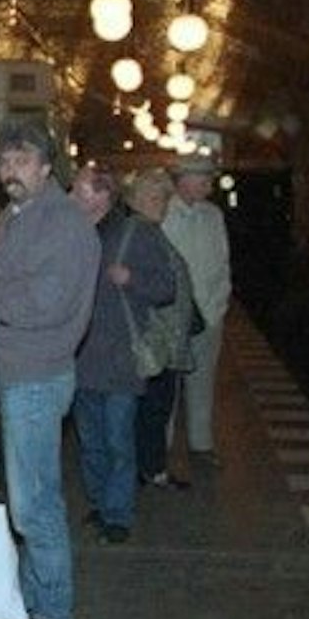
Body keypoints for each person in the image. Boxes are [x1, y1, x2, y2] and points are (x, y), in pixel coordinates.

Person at [0, 120, 99, 619]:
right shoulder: (21, 219)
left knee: (34, 502)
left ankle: (54, 614)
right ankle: (32, 606)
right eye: (5, 161)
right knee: (29, 497)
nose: (10, 171)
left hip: (36, 377)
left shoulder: (64, 224)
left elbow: (46, 303)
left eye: (22, 161)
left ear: (47, 167)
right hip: (18, 373)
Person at [69, 166, 175, 545]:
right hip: (80, 359)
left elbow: (167, 288)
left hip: (120, 360)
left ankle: (117, 515)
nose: (72, 199)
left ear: (102, 196)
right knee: (91, 441)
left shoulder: (137, 234)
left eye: (78, 192)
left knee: (117, 440)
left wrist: (131, 280)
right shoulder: (71, 233)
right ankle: (100, 504)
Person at [127, 169, 197, 489]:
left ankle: (149, 468)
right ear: (136, 200)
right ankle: (150, 470)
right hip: (154, 341)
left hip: (162, 340)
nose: (163, 204)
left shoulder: (151, 232)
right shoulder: (142, 233)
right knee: (152, 411)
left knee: (154, 410)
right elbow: (156, 287)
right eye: (155, 198)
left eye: (164, 198)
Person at [163, 154, 232, 464]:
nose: (208, 183)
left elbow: (222, 262)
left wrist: (219, 305)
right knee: (166, 389)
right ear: (182, 181)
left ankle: (201, 445)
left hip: (209, 313)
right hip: (171, 318)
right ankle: (159, 450)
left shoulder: (213, 215)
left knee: (202, 383)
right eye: (201, 177)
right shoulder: (163, 214)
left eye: (209, 178)